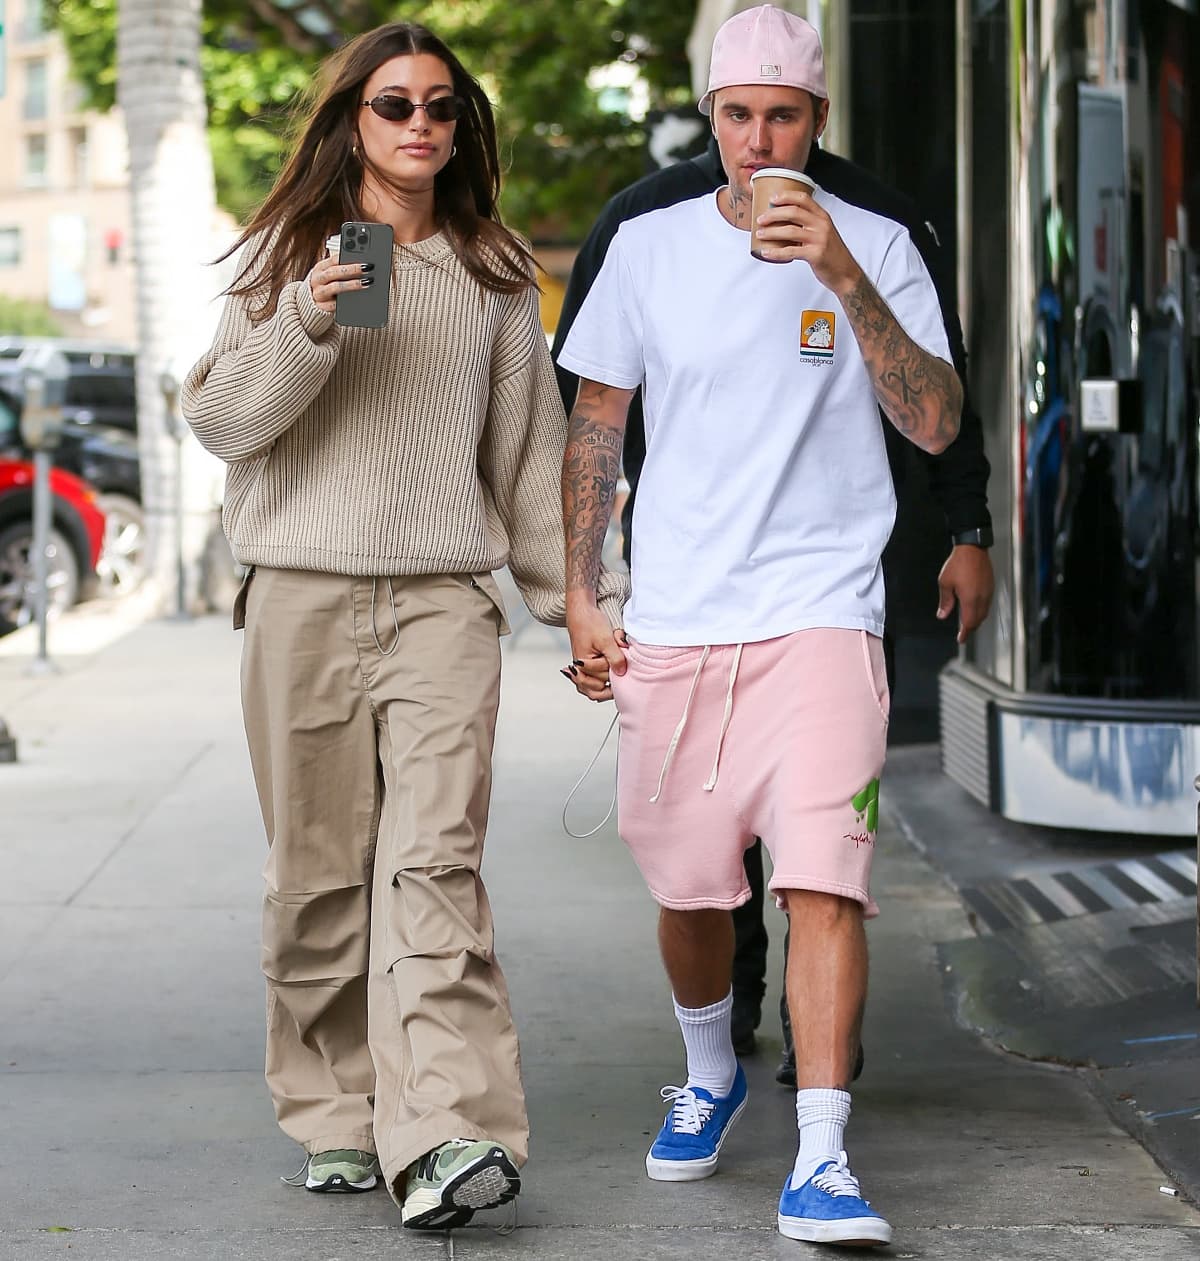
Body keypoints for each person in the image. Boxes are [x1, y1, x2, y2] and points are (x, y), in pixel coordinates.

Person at [181, 21, 627, 1231]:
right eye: (394, 105)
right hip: (300, 598)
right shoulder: (284, 255)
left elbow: (532, 468)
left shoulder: (491, 273)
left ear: (460, 127)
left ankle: (444, 1131)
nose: (419, 124)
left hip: (440, 604)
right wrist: (309, 321)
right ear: (352, 123)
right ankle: (336, 1110)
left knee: (435, 865)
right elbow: (223, 424)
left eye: (439, 106)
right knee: (318, 877)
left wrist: (581, 602)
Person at [558, 6, 963, 1246]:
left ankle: (825, 1153)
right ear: (714, 114)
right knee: (686, 881)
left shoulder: (883, 240)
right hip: (679, 612)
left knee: (824, 880)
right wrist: (585, 585)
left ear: (816, 120)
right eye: (738, 115)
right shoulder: (646, 238)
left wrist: (840, 272)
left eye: (781, 116)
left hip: (823, 613)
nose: (757, 140)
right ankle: (712, 1069)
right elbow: (596, 426)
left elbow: (939, 421)